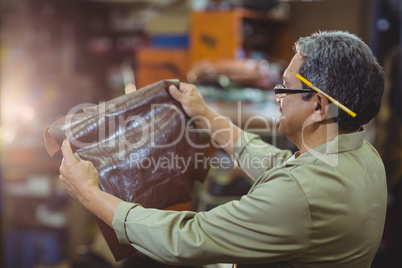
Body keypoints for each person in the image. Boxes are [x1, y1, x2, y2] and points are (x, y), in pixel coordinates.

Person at [59, 31, 387, 268]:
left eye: (284, 87)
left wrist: (89, 193)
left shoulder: (300, 194)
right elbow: (278, 164)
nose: (277, 96)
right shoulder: (362, 155)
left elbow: (185, 239)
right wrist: (205, 115)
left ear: (319, 106)